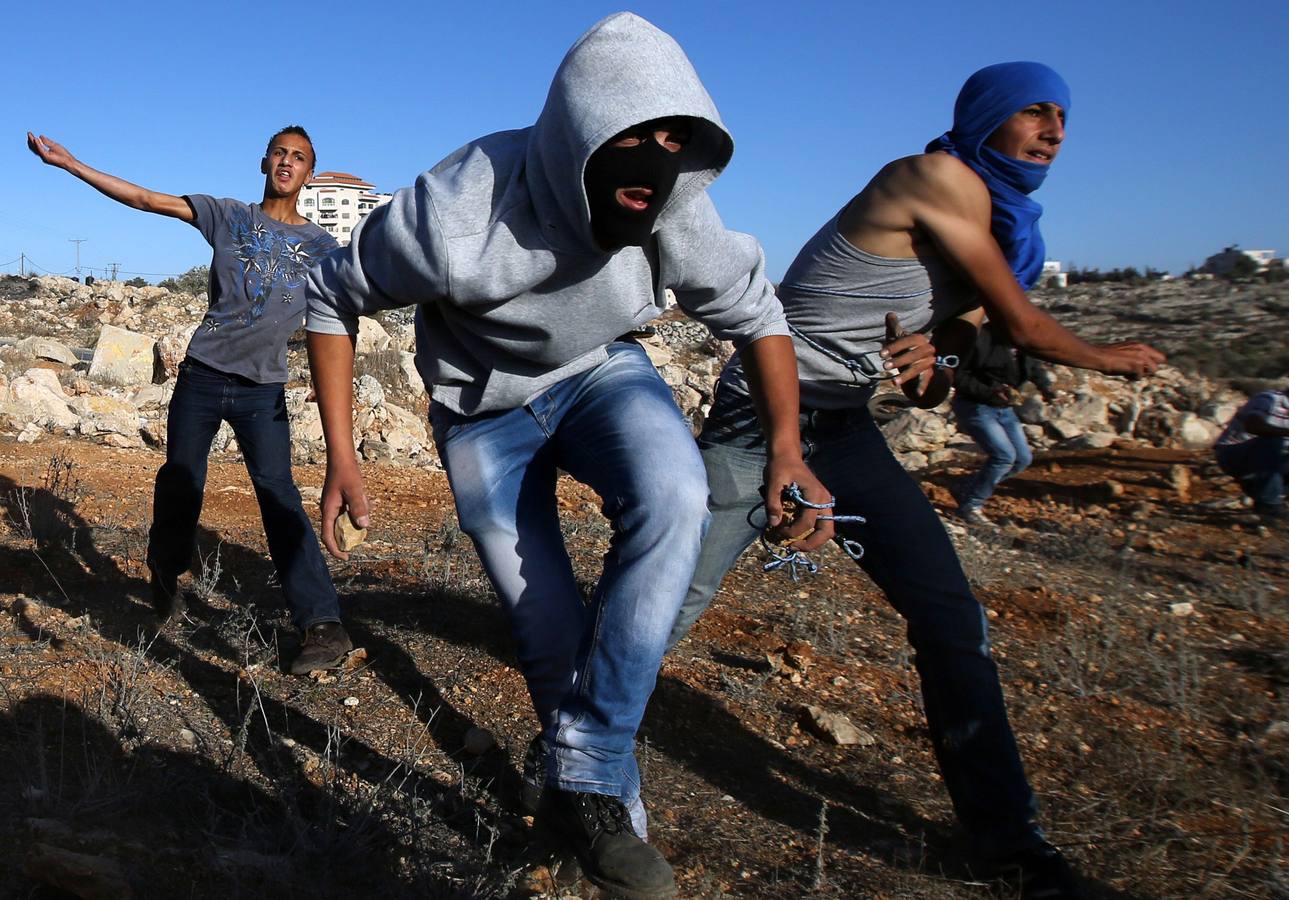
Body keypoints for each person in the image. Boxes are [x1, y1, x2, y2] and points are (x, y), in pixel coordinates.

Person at [303, 14, 831, 899]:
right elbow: (329, 295)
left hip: (598, 373)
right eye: (633, 137)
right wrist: (341, 457)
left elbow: (757, 313)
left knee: (676, 493)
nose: (656, 164)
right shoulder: (454, 210)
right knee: (546, 626)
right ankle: (590, 820)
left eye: (676, 141)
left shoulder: (675, 210)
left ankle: (588, 785)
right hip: (480, 410)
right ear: (579, 129)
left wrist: (786, 447)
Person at [667, 62, 1165, 898]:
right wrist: (1105, 358)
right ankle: (571, 739)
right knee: (678, 592)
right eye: (1033, 113)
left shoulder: (1000, 231)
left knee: (950, 618)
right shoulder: (933, 177)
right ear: (987, 117)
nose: (1053, 131)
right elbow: (1022, 326)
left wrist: (938, 358)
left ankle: (1009, 843)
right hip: (763, 411)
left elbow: (936, 377)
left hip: (845, 426)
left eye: (1062, 117)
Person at [27, 127, 354, 676]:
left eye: (298, 157)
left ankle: (322, 624)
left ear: (309, 174)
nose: (287, 162)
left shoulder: (325, 250)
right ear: (264, 162)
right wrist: (72, 165)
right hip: (201, 377)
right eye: (279, 152)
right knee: (181, 482)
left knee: (279, 496)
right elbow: (145, 199)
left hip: (263, 391)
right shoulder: (228, 215)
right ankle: (165, 573)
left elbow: (344, 319)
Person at [950, 320, 1044, 525]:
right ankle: (971, 505)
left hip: (1004, 408)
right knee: (1004, 456)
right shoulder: (980, 340)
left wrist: (1046, 385)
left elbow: (1033, 364)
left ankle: (967, 487)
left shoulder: (1022, 342)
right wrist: (989, 391)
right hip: (976, 406)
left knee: (1022, 459)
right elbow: (957, 375)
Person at [1214, 384, 1289, 519]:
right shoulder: (1268, 399)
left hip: (1268, 460)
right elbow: (1253, 426)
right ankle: (1268, 504)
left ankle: (1270, 492)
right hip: (1235, 452)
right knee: (1273, 441)